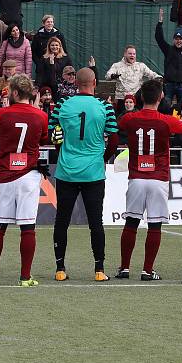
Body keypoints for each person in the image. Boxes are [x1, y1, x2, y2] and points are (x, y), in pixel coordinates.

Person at [116, 80, 182, 281]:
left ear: (141, 98)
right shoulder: (166, 120)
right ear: (160, 98)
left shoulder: (130, 119)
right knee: (155, 224)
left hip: (136, 178)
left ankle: (124, 268)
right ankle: (147, 270)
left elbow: (117, 125)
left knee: (131, 222)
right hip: (158, 178)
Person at [49, 68, 119, 282]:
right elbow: (114, 140)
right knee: (95, 222)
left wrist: (63, 154)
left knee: (62, 220)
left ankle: (60, 269)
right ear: (95, 82)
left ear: (75, 83)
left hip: (67, 171)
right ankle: (99, 270)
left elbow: (54, 136)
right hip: (93, 173)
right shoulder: (105, 107)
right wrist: (102, 158)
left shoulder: (61, 105)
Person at [0, 74, 49, 286]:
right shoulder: (40, 116)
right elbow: (43, 138)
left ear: (14, 92)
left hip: (5, 174)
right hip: (29, 175)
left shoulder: (2, 114)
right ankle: (25, 276)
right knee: (28, 227)